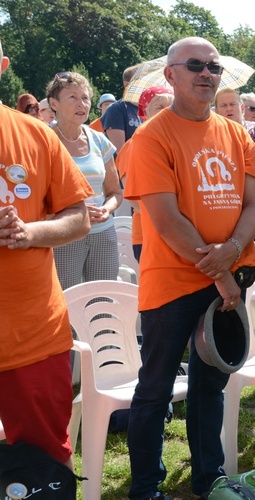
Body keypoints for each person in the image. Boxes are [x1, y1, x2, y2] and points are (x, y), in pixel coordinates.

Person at [123, 37, 255, 499]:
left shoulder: (236, 132)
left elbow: (253, 204)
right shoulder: (150, 138)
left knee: (211, 386)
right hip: (175, 283)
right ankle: (145, 489)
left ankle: (208, 478)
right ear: (171, 75)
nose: (207, 73)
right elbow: (166, 220)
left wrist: (236, 248)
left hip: (232, 275)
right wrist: (219, 271)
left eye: (214, 66)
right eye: (195, 65)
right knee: (155, 387)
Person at [0, 38, 93, 471]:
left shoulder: (34, 133)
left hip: (32, 336)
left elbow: (79, 217)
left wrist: (27, 231)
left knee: (45, 467)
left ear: (2, 65)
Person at [47, 72, 122, 290]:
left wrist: (107, 210)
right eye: (73, 97)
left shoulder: (98, 139)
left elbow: (115, 192)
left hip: (103, 234)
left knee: (104, 302)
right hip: (63, 237)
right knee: (65, 303)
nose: (82, 104)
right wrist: (74, 216)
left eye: (85, 98)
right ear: (54, 103)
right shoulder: (43, 140)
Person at [116, 85, 174, 262]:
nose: (166, 112)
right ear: (144, 112)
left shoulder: (177, 145)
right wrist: (172, 221)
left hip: (181, 234)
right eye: (159, 106)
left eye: (171, 106)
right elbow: (133, 199)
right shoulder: (133, 146)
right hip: (150, 235)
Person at [102, 64, 143, 151]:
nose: (144, 84)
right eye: (140, 80)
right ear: (128, 85)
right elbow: (121, 151)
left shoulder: (148, 110)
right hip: (125, 163)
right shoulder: (115, 109)